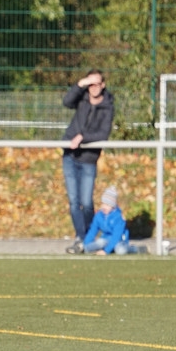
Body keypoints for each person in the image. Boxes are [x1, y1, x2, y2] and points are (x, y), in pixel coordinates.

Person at [62, 70, 114, 250]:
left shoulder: (107, 106)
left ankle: (90, 235)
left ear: (103, 85)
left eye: (96, 84)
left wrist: (82, 138)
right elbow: (67, 102)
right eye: (90, 84)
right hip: (70, 156)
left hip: (88, 159)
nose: (93, 88)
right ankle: (81, 237)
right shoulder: (82, 98)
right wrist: (80, 84)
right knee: (74, 201)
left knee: (86, 202)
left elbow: (103, 134)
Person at [69, 186, 141, 255]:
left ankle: (135, 249)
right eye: (103, 204)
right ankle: (81, 248)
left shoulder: (119, 218)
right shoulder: (99, 216)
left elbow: (116, 236)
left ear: (113, 206)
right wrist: (86, 244)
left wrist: (106, 251)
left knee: (120, 250)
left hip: (119, 241)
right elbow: (92, 231)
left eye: (107, 205)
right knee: (96, 244)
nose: (104, 207)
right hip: (105, 239)